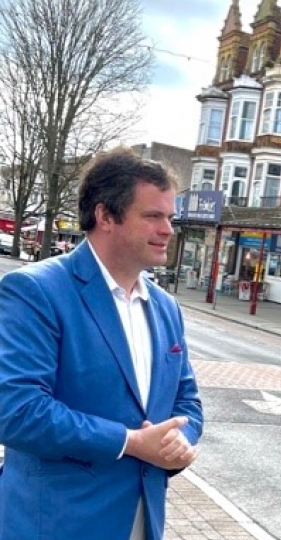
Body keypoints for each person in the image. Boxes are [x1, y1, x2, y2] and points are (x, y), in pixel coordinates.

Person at [0, 147, 203, 540]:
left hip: (142, 519)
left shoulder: (166, 308)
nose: (168, 230)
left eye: (170, 217)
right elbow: (16, 410)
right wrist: (129, 442)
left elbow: (187, 400)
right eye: (153, 216)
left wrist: (180, 440)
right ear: (105, 215)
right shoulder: (36, 291)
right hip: (58, 524)